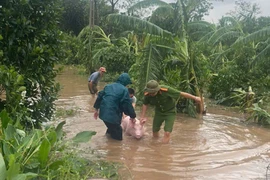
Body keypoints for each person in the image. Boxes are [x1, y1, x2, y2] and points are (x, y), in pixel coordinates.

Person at [93, 73, 136, 141]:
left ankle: (106, 140)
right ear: (126, 82)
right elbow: (127, 104)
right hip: (112, 115)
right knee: (118, 135)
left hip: (103, 114)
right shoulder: (124, 90)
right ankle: (114, 150)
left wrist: (96, 109)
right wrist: (133, 116)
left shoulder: (108, 86)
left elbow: (100, 96)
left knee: (111, 128)